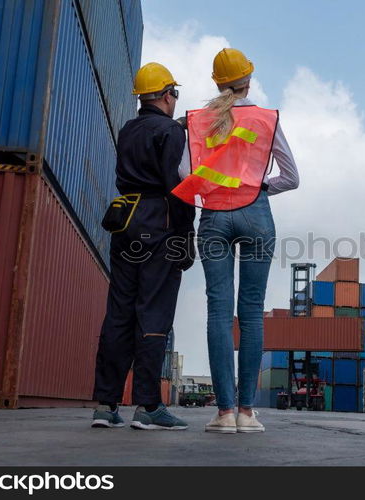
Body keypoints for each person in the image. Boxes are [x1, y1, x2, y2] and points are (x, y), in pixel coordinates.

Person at [172, 48, 299, 433]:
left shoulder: (197, 122)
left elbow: (183, 172)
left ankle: (224, 413)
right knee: (252, 311)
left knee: (218, 311)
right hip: (257, 214)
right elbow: (291, 177)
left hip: (214, 216)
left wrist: (219, 189)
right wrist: (258, 188)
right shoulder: (267, 119)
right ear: (248, 79)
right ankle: (247, 412)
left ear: (218, 83)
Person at [91, 63, 194, 431]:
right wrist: (187, 236)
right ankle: (148, 406)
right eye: (175, 94)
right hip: (160, 223)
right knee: (154, 314)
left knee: (119, 313)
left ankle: (106, 405)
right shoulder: (170, 131)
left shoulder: (128, 129)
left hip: (124, 223)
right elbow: (177, 187)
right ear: (167, 95)